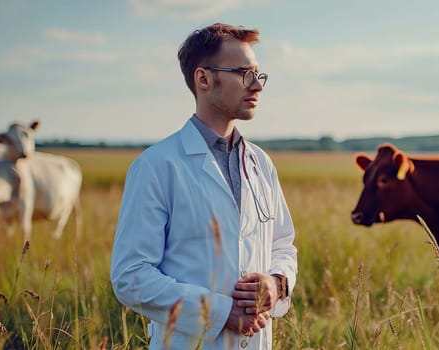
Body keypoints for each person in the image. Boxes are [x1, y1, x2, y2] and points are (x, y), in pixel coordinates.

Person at [110, 23, 298, 350]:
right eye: (243, 73)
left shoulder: (261, 163)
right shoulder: (157, 166)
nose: (257, 85)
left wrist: (277, 283)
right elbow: (131, 276)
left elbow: (283, 245)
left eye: (258, 73)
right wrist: (220, 312)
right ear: (203, 79)